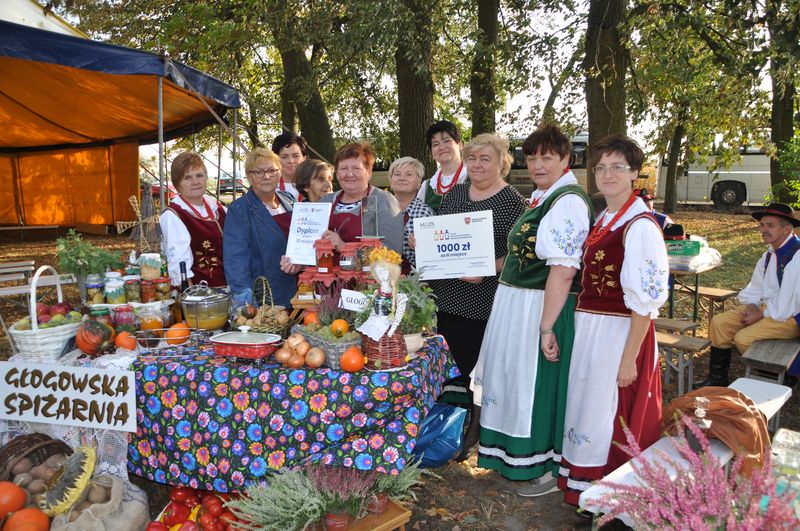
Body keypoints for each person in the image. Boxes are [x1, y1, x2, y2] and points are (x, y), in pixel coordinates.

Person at [469, 125, 592, 495]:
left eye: (547, 157)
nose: (537, 164)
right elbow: (522, 258)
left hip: (541, 306)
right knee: (515, 381)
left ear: (566, 159)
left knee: (537, 386)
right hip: (518, 302)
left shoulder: (567, 200)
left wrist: (546, 326)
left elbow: (564, 269)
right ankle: (515, 456)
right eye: (533, 157)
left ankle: (546, 467)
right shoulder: (544, 196)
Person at [558, 134, 669, 507]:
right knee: (588, 406)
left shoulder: (640, 225)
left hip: (621, 332)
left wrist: (628, 358)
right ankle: (584, 487)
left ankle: (610, 495)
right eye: (601, 167)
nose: (607, 174)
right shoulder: (605, 217)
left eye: (617, 167)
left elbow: (645, 301)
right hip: (593, 328)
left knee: (610, 411)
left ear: (635, 172)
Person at [428, 133, 527, 458]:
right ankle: (443, 426)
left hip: (484, 299)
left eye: (486, 159)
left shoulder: (513, 201)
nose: (478, 165)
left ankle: (476, 428)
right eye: (472, 159)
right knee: (449, 362)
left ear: (502, 163)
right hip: (448, 295)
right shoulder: (455, 194)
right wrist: (424, 244)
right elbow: (440, 237)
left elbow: (520, 251)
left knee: (478, 368)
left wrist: (488, 268)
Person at [695, 202, 800, 387]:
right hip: (768, 308)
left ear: (787, 229)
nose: (764, 229)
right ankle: (718, 379)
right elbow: (756, 288)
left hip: (790, 317)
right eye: (762, 225)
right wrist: (752, 306)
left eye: (770, 225)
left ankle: (777, 380)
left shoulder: (796, 256)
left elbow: (788, 303)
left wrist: (760, 314)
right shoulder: (769, 255)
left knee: (743, 339)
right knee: (720, 323)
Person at [223, 147, 301, 307]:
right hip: (266, 298)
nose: (266, 176)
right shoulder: (239, 210)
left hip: (298, 290)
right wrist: (246, 303)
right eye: (258, 172)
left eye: (272, 170)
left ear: (279, 172)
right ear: (249, 176)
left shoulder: (289, 200)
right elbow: (235, 260)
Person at [320, 142, 404, 253]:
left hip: (368, 270)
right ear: (337, 174)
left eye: (356, 168)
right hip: (326, 269)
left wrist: (344, 247)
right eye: (344, 168)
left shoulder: (382, 200)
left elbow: (393, 250)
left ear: (368, 173)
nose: (349, 174)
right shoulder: (326, 201)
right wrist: (298, 263)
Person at [160, 151, 227, 287]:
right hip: (199, 292)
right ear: (177, 184)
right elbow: (179, 264)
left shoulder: (217, 207)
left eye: (199, 175)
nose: (195, 181)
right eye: (187, 177)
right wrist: (191, 297)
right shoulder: (173, 215)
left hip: (229, 287)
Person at [388, 156, 435, 269]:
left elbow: (434, 254)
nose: (402, 178)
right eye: (397, 174)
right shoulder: (379, 210)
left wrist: (421, 247)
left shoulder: (425, 214)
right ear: (391, 180)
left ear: (419, 183)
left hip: (415, 281)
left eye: (408, 174)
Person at [417, 120, 469, 211]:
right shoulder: (426, 187)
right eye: (435, 144)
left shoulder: (474, 178)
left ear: (460, 145)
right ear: (432, 152)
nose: (441, 147)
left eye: (446, 141)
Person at [271, 132, 309, 201]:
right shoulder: (269, 188)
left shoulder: (313, 186)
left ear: (304, 158)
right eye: (284, 157)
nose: (291, 161)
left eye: (296, 156)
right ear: (275, 159)